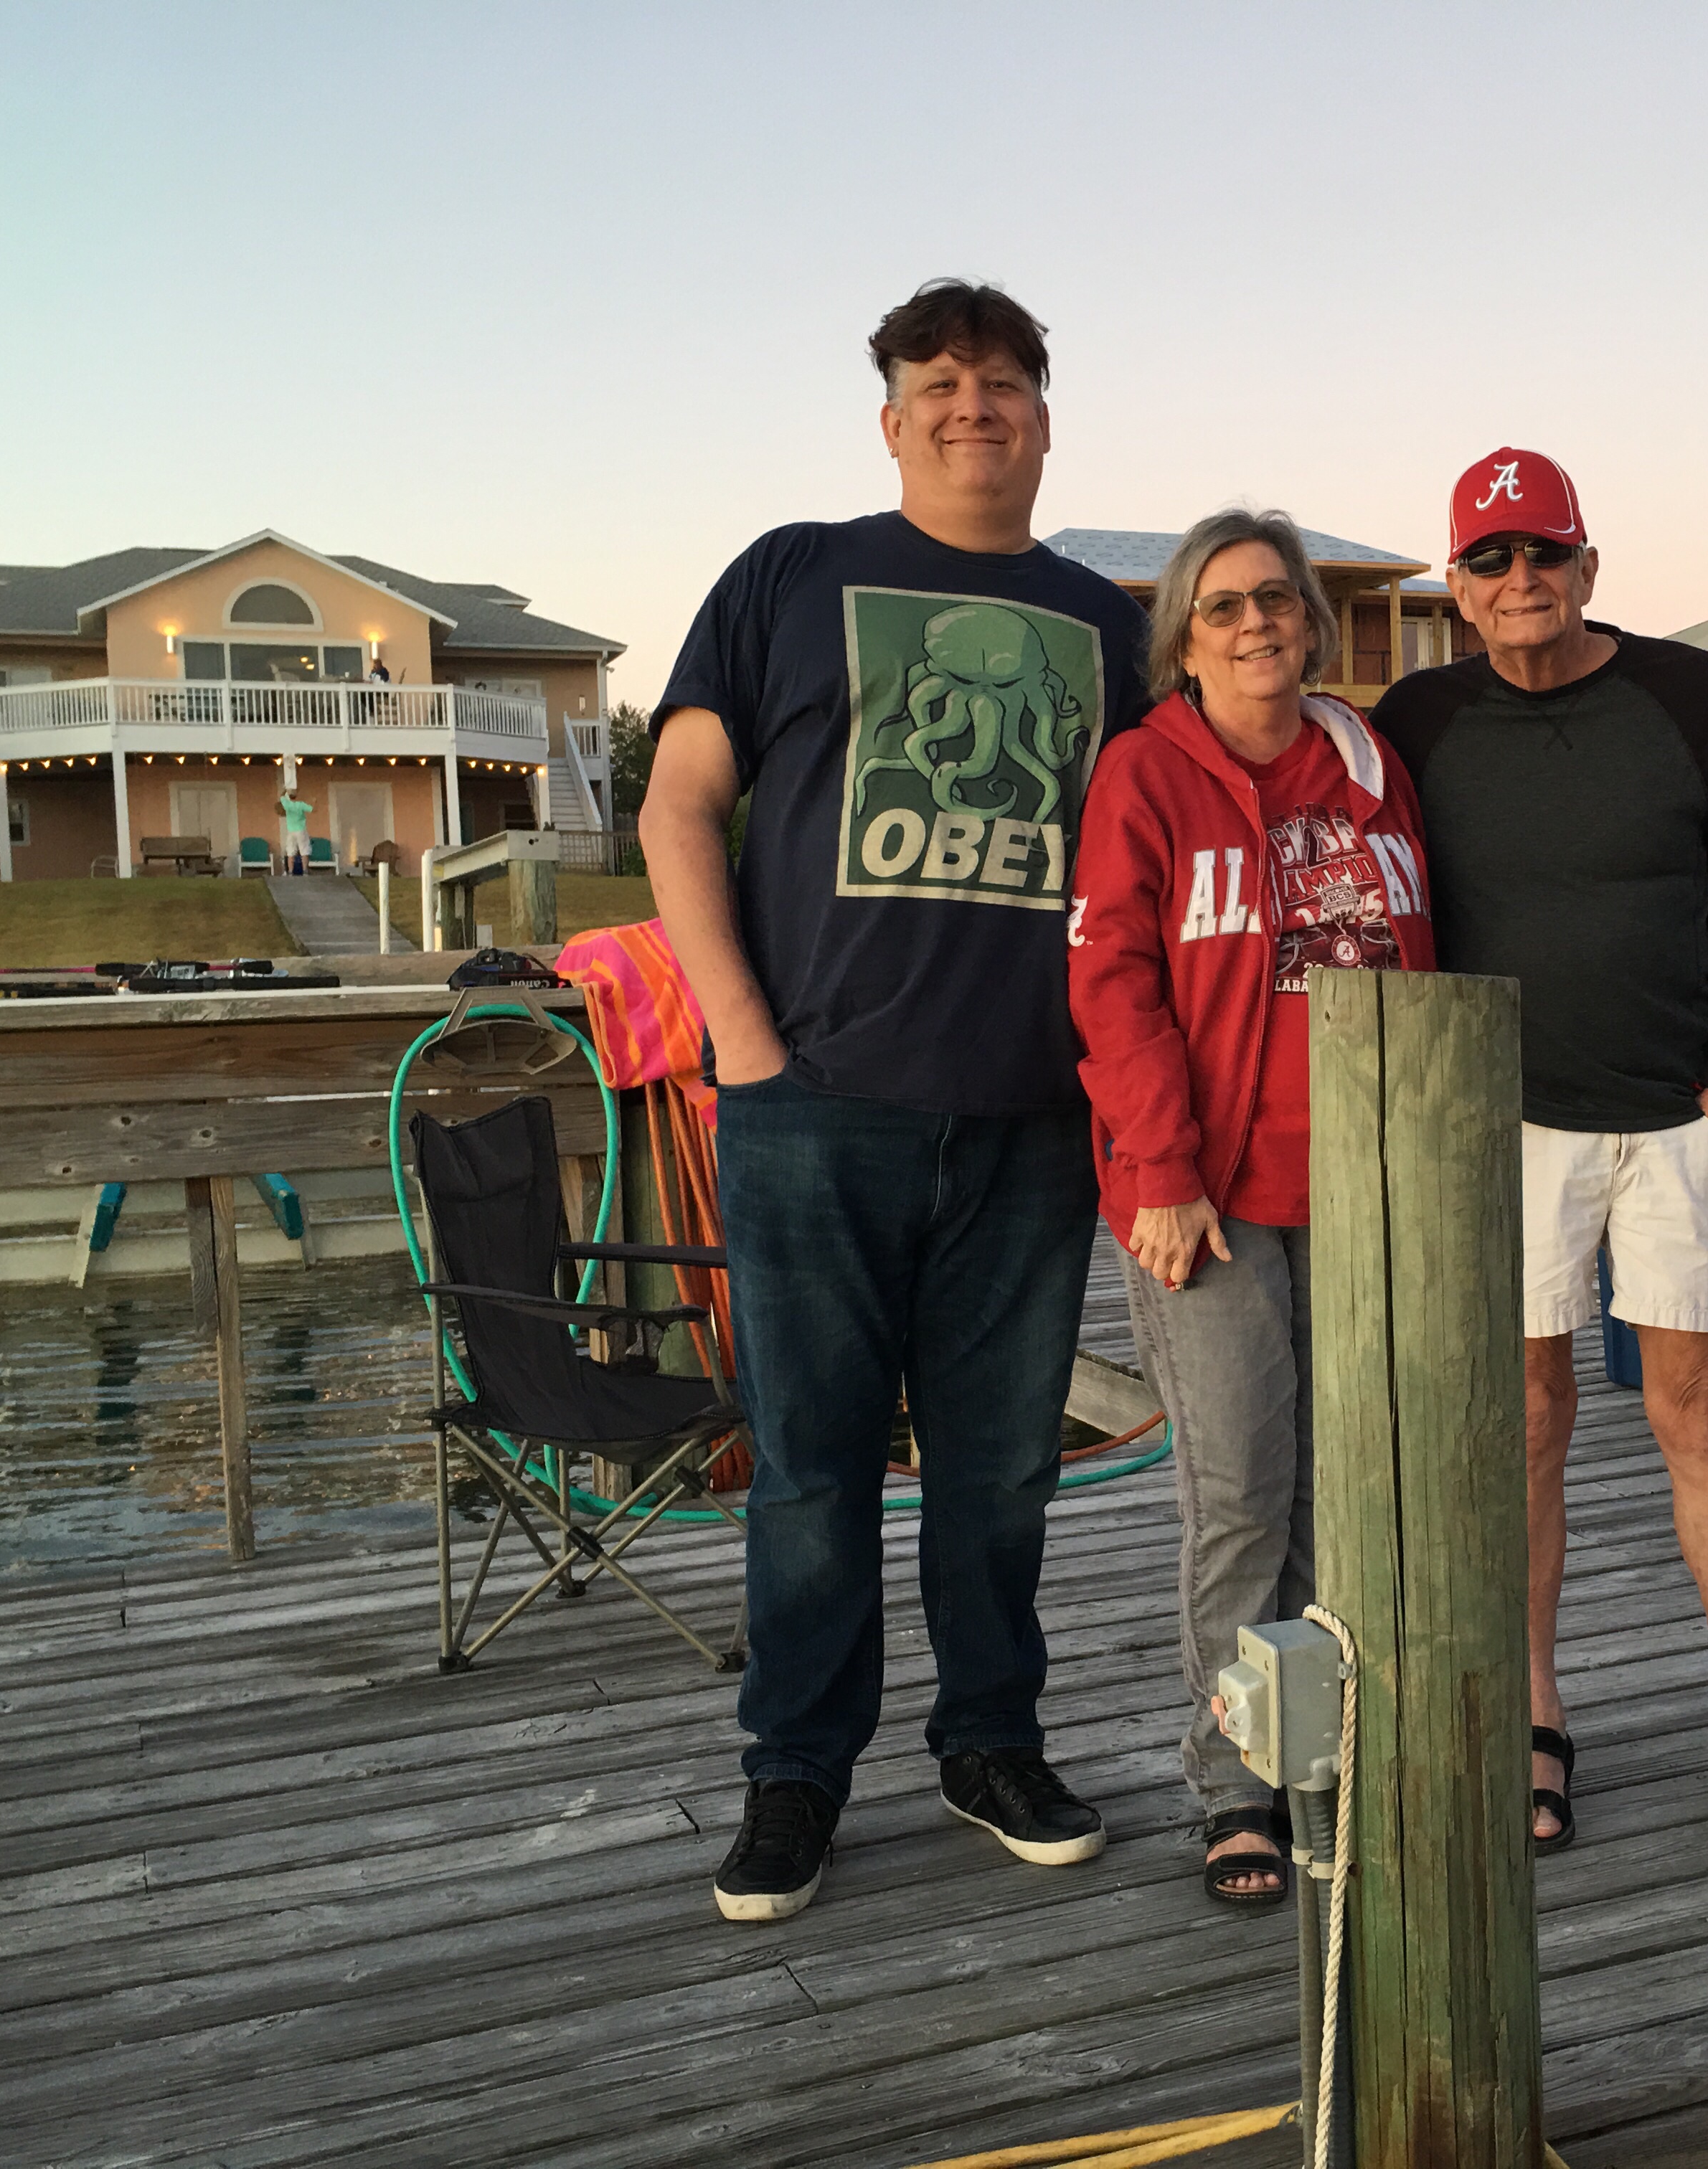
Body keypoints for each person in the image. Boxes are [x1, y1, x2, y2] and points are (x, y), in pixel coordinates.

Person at [641, 280, 1153, 1924]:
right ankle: (794, 1774)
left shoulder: (1110, 625)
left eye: (1002, 384)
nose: (970, 406)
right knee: (811, 1472)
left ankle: (990, 1743)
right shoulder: (790, 575)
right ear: (890, 419)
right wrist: (742, 1040)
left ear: (1045, 422)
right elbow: (678, 806)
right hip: (814, 1112)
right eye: (937, 383)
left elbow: (1159, 855)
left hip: (1032, 1122)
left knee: (1002, 1473)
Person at [1372, 448, 1708, 1853]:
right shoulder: (1414, 719)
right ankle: (1536, 1717)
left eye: (1545, 552)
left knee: (1699, 1414)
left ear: (1588, 565)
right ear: (1456, 587)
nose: (1519, 578)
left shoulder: (1686, 693)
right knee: (1528, 1420)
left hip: (1673, 1118)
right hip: (1505, 1119)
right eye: (1490, 559)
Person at [1067, 510, 1434, 1906]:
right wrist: (1160, 1168)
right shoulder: (1145, 772)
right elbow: (1112, 985)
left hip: (1357, 1181)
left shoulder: (1368, 767)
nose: (1255, 622)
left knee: (1339, 1491)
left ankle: (1322, 1749)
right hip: (1205, 1199)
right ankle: (1236, 1782)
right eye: (1221, 606)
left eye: (1276, 598)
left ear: (1312, 623)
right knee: (1238, 1491)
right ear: (1184, 639)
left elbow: (1416, 961)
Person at [275, 788, 312, 874]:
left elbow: (281, 796)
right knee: (304, 850)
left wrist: (286, 789)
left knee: (290, 852)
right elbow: (312, 809)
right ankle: (305, 871)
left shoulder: (287, 804)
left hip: (291, 831)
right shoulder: (301, 805)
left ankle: (290, 871)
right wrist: (314, 802)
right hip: (301, 830)